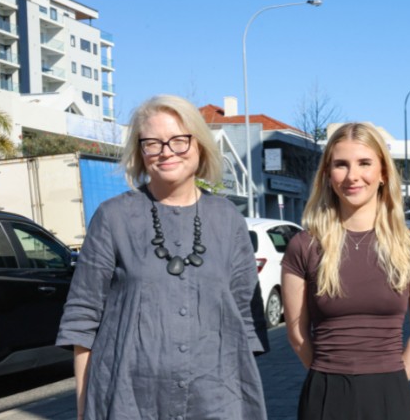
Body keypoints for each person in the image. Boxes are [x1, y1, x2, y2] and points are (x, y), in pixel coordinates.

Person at [56, 95, 268, 420]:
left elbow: (247, 320)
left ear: (199, 145)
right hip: (131, 401)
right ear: (141, 153)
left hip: (216, 400)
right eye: (152, 143)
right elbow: (82, 320)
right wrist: (86, 409)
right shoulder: (113, 218)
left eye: (179, 140)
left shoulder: (228, 220)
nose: (166, 151)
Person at [281, 122, 410, 420]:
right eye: (341, 164)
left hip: (390, 391)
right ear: (327, 175)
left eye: (364, 163)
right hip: (325, 392)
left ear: (383, 173)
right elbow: (296, 334)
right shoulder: (304, 246)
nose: (353, 176)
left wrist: (393, 381)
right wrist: (329, 375)